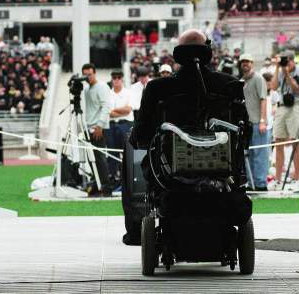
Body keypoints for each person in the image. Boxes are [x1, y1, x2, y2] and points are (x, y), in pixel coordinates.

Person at [125, 29, 249, 244]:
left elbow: (141, 132)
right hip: (222, 167)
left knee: (132, 158)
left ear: (177, 53)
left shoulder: (157, 87)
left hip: (170, 171)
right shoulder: (229, 84)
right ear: (208, 50)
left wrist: (138, 139)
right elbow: (245, 131)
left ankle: (135, 232)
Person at [271, 55, 299, 188]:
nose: (286, 64)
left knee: (295, 142)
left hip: (295, 107)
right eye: (284, 62)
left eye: (288, 61)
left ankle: (296, 178)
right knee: (279, 141)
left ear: (293, 61)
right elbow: (273, 86)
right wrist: (278, 68)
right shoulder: (280, 70)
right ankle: (278, 179)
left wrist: (287, 75)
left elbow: (297, 90)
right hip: (281, 107)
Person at [82, 63, 113, 196]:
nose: (87, 77)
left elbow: (106, 107)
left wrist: (100, 125)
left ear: (95, 73)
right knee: (91, 159)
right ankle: (97, 184)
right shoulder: (86, 89)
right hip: (89, 127)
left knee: (100, 159)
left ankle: (106, 188)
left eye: (89, 74)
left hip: (98, 128)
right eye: (85, 74)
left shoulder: (102, 87)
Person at [240, 53, 270, 191]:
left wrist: (263, 120)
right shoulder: (243, 81)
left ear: (252, 63)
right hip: (248, 124)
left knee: (260, 154)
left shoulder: (258, 78)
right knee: (249, 155)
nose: (244, 64)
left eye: (247, 61)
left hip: (258, 123)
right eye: (242, 62)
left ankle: (260, 184)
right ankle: (252, 183)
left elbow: (263, 99)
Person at [106, 70, 134, 187]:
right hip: (111, 125)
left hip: (125, 124)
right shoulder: (108, 94)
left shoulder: (128, 92)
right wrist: (119, 111)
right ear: (112, 79)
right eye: (114, 77)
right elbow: (108, 113)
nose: (116, 80)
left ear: (122, 79)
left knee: (126, 152)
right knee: (112, 153)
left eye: (118, 77)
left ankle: (127, 178)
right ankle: (112, 178)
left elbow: (128, 110)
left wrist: (115, 111)